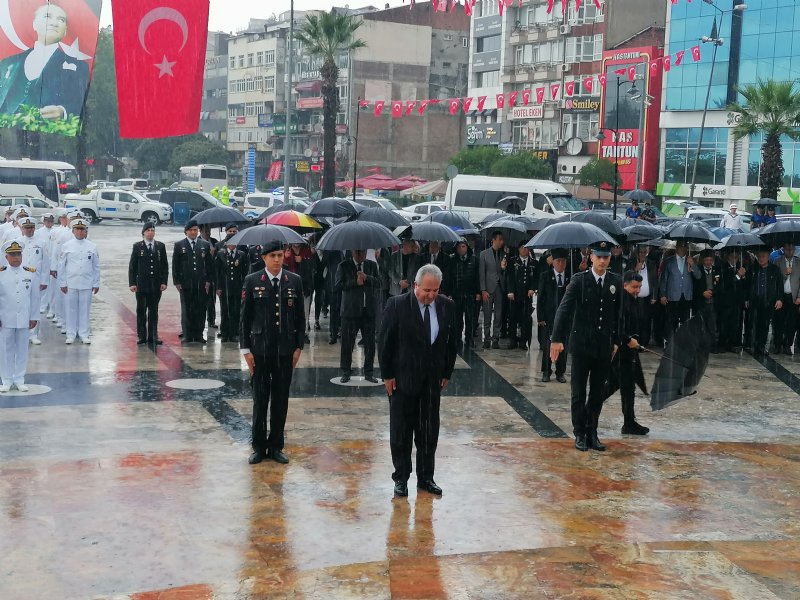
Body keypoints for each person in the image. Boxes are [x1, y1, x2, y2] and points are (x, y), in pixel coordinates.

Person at [378, 264, 457, 497]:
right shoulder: (397, 305)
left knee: (428, 432)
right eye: (426, 290)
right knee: (401, 432)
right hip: (402, 380)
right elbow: (385, 343)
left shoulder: (446, 306)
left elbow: (452, 343)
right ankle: (401, 477)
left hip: (432, 382)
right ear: (415, 285)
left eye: (435, 291)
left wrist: (446, 372)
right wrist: (387, 375)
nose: (431, 295)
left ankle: (426, 478)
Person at [550, 242, 622, 452]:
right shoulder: (579, 280)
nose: (602, 261)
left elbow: (618, 315)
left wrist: (616, 340)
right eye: (599, 257)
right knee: (578, 392)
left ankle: (592, 431)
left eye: (606, 257)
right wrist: (556, 338)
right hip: (581, 346)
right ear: (591, 257)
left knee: (597, 392)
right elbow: (563, 310)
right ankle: (579, 432)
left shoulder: (614, 281)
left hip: (603, 347)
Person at [240, 240, 305, 465]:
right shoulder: (252, 280)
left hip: (285, 351)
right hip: (259, 351)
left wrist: (298, 347)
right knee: (260, 399)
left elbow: (300, 317)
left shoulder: (293, 281)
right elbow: (245, 319)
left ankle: (276, 445)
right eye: (273, 256)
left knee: (280, 400)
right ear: (264, 258)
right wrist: (246, 350)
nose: (278, 259)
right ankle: (258, 446)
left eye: (280, 255)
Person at [0, 3, 90, 120]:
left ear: (65, 31)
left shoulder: (79, 67)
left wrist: (63, 112)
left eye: (61, 20)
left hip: (49, 136)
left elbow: (82, 104)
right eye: (47, 16)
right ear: (34, 24)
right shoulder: (7, 63)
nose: (54, 23)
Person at [0, 240, 40, 392]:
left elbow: (35, 297)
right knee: (5, 349)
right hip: (5, 318)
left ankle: (19, 379)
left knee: (22, 349)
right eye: (13, 254)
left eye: (18, 254)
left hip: (24, 317)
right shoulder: (1, 273)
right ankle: (6, 379)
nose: (16, 257)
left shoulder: (30, 273)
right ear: (6, 256)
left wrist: (34, 316)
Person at [335, 249, 379, 383]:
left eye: (363, 252)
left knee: (370, 344)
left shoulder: (372, 265)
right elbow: (338, 286)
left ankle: (369, 372)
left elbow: (379, 283)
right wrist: (355, 282)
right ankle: (346, 371)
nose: (360, 255)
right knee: (347, 343)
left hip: (368, 311)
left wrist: (367, 278)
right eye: (357, 252)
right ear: (352, 252)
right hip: (350, 312)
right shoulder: (343, 265)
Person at [57, 218, 100, 345]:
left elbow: (96, 266)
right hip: (71, 282)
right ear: (73, 231)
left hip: (86, 282)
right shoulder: (66, 246)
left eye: (83, 230)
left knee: (84, 309)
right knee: (70, 309)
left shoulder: (92, 246)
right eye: (78, 229)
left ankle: (84, 334)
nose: (80, 232)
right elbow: (61, 266)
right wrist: (62, 282)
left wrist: (96, 283)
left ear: (86, 231)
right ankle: (70, 334)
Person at [618, 271, 649, 435]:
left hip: (630, 352)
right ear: (625, 285)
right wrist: (628, 339)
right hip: (619, 353)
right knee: (610, 388)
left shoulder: (635, 301)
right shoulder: (621, 302)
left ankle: (629, 423)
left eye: (639, 287)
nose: (637, 290)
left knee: (628, 388)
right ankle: (587, 416)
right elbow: (617, 327)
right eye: (634, 287)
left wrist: (638, 343)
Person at [172, 220, 213, 343]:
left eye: (195, 230)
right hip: (186, 284)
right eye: (191, 230)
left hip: (201, 284)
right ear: (186, 232)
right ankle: (188, 335)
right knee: (187, 310)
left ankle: (199, 335)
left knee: (200, 310)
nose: (193, 232)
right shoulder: (179, 245)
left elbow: (209, 265)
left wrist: (209, 281)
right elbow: (175, 265)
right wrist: (177, 282)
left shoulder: (204, 245)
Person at [128, 222, 168, 345]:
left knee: (153, 311)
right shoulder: (137, 246)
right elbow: (132, 266)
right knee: (141, 311)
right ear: (143, 232)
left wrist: (164, 282)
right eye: (148, 230)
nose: (150, 232)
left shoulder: (160, 246)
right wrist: (132, 283)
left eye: (152, 230)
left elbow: (164, 266)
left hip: (155, 285)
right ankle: (141, 336)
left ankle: (153, 335)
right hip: (141, 285)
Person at [537, 248, 569, 383]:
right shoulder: (545, 276)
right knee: (547, 345)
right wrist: (540, 317)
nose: (561, 264)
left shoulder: (570, 278)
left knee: (563, 346)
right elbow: (541, 298)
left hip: (564, 318)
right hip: (549, 316)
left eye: (563, 261)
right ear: (553, 262)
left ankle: (560, 372)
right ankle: (546, 371)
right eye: (558, 261)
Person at [16, 216, 48, 345]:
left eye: (31, 227)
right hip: (20, 278)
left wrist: (44, 280)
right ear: (22, 229)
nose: (29, 230)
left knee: (35, 305)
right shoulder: (17, 242)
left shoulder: (41, 243)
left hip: (36, 278)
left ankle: (33, 334)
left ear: (35, 228)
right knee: (21, 305)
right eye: (26, 227)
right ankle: (22, 332)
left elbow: (45, 263)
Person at [747, 247, 783, 357]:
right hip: (754, 300)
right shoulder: (753, 269)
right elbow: (747, 285)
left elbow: (779, 286)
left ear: (768, 257)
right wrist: (746, 299)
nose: (761, 259)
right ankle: (752, 346)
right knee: (753, 324)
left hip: (768, 301)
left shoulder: (775, 269)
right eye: (759, 257)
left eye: (763, 257)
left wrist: (779, 299)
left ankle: (761, 346)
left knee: (765, 324)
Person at [658, 241, 695, 338]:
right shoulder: (668, 261)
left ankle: (683, 343)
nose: (683, 248)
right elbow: (663, 279)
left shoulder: (690, 260)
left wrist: (693, 265)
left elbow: (698, 276)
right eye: (681, 246)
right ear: (676, 247)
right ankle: (670, 342)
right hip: (672, 296)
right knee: (670, 321)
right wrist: (662, 295)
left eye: (685, 246)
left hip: (686, 296)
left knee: (685, 322)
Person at [215, 239, 249, 343]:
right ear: (226, 243)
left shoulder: (241, 254)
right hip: (224, 287)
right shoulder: (221, 254)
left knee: (235, 310)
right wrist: (218, 287)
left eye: (234, 242)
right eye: (230, 242)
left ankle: (234, 333)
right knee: (225, 310)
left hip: (237, 287)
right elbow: (217, 272)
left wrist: (244, 287)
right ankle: (225, 333)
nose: (232, 245)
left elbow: (245, 272)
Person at [449, 238, 480, 352]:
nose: (461, 249)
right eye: (459, 247)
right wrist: (449, 293)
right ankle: (457, 339)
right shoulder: (452, 260)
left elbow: (477, 277)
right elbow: (449, 277)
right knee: (457, 319)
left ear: (467, 247)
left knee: (470, 319)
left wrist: (478, 292)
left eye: (463, 246)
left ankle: (469, 338)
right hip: (456, 294)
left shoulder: (474, 260)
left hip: (470, 294)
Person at [506, 245, 537, 350]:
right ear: (518, 249)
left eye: (526, 248)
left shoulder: (533, 262)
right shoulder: (512, 261)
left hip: (527, 295)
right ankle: (513, 340)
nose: (524, 250)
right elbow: (509, 276)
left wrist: (533, 288)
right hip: (515, 294)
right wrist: (510, 291)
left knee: (526, 319)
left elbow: (536, 278)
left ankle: (523, 341)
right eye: (522, 248)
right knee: (513, 318)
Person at [770, 244, 800, 355]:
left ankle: (788, 344)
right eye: (788, 249)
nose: (790, 251)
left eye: (792, 249)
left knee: (792, 323)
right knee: (778, 322)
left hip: (793, 296)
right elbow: (774, 279)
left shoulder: (798, 262)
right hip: (780, 297)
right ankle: (777, 345)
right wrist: (784, 272)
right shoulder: (777, 261)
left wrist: (799, 297)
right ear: (784, 249)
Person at [479, 231, 506, 349]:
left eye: (502, 240)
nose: (501, 242)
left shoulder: (504, 254)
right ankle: (487, 338)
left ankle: (496, 338)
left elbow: (505, 273)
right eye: (499, 239)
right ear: (493, 240)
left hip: (500, 288)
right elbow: (482, 273)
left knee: (499, 315)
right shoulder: (484, 254)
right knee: (487, 314)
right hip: (488, 288)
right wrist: (483, 290)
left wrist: (503, 268)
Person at [717, 248, 747, 352]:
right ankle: (723, 343)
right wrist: (738, 276)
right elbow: (724, 284)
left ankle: (734, 343)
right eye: (733, 257)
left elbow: (744, 286)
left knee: (736, 323)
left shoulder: (741, 267)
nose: (735, 259)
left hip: (737, 302)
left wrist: (743, 277)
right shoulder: (722, 268)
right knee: (725, 323)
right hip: (726, 301)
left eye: (737, 257)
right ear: (728, 257)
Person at [692, 249, 721, 352]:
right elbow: (694, 286)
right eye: (706, 260)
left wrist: (713, 292)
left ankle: (713, 346)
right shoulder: (698, 270)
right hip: (701, 303)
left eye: (710, 260)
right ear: (703, 260)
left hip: (712, 303)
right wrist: (702, 293)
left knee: (712, 326)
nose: (708, 262)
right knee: (700, 325)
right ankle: (699, 346)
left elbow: (719, 285)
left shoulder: (716, 270)